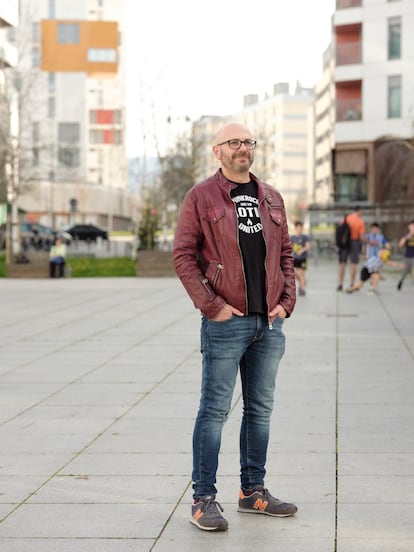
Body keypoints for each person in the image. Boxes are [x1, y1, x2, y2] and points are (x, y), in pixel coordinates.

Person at [173, 122, 297, 532]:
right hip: (227, 322)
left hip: (268, 323)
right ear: (217, 151)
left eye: (248, 142)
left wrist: (286, 302)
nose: (242, 148)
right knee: (214, 411)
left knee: (260, 410)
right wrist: (213, 306)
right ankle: (203, 499)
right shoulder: (201, 196)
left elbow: (286, 256)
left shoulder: (272, 197)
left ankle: (252, 491)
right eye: (234, 142)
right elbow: (183, 256)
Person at [336, 205, 365, 291]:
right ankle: (352, 283)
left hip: (344, 243)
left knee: (342, 264)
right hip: (354, 242)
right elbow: (362, 236)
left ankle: (340, 284)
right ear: (359, 211)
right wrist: (368, 242)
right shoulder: (360, 221)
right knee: (353, 264)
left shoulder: (346, 218)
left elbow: (339, 230)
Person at [291, 221, 311, 296]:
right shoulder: (292, 237)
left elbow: (308, 246)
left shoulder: (305, 237)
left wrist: (302, 250)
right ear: (296, 228)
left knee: (302, 273)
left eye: (300, 227)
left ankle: (302, 289)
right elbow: (290, 247)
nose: (299, 229)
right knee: (294, 273)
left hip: (303, 258)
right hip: (295, 258)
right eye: (298, 227)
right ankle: (302, 282)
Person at [397, 220, 414, 290]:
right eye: (412, 226)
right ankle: (401, 281)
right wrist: (408, 236)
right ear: (409, 226)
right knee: (405, 272)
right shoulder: (406, 234)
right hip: (408, 256)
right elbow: (400, 245)